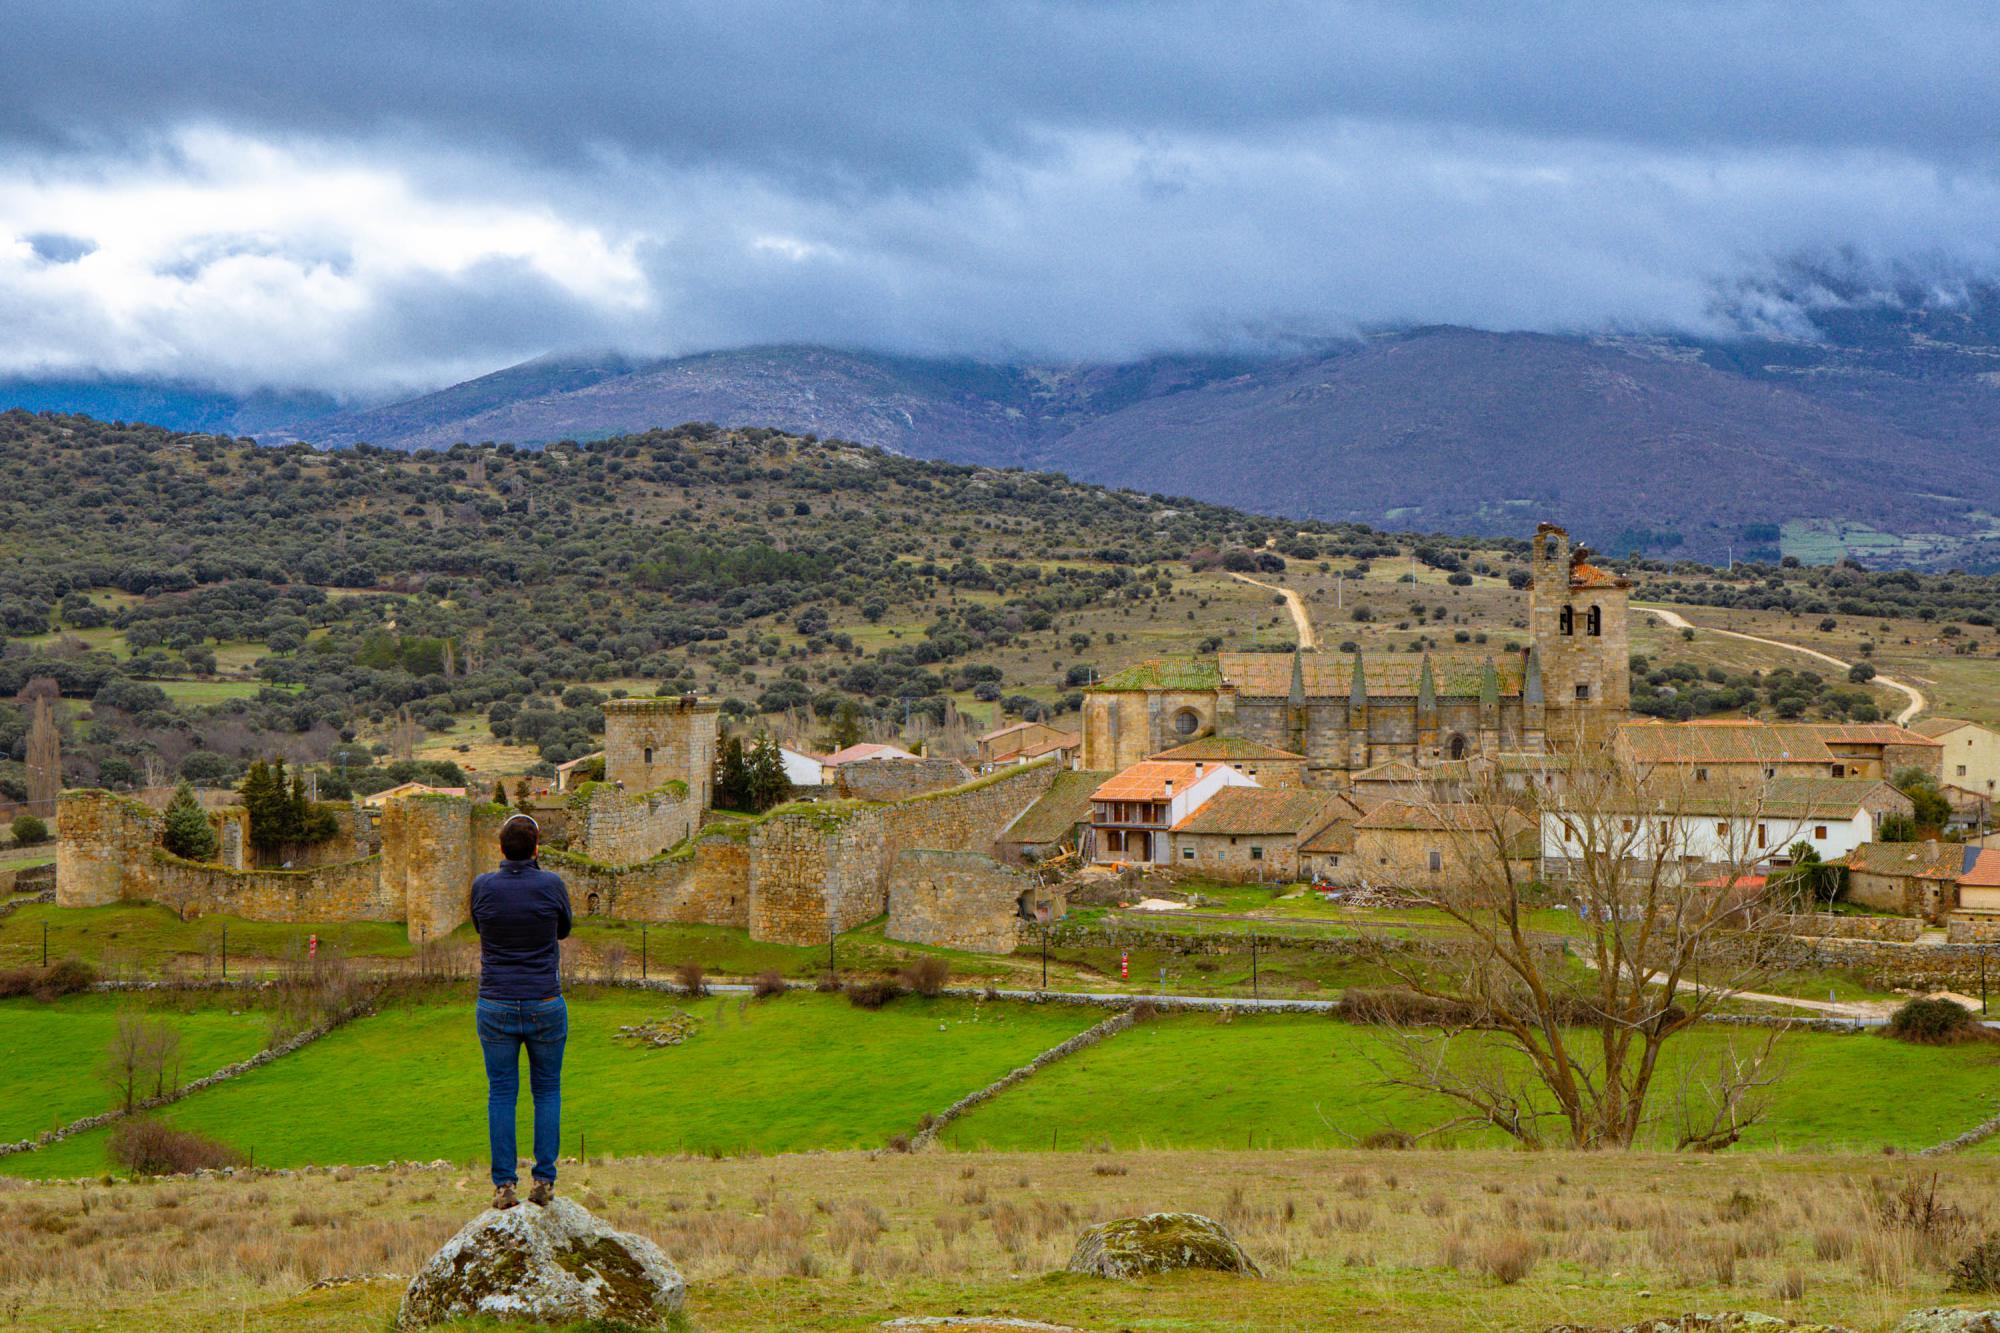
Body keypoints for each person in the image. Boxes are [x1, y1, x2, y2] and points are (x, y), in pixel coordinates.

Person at [470, 811, 573, 1210]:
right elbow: (563, 929)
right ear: (535, 849)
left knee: (501, 1094)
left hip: (495, 1000)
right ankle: (544, 1180)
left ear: (500, 849)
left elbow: (481, 926)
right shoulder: (551, 885)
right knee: (547, 1090)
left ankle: (503, 1185)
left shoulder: (483, 887)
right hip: (544, 999)